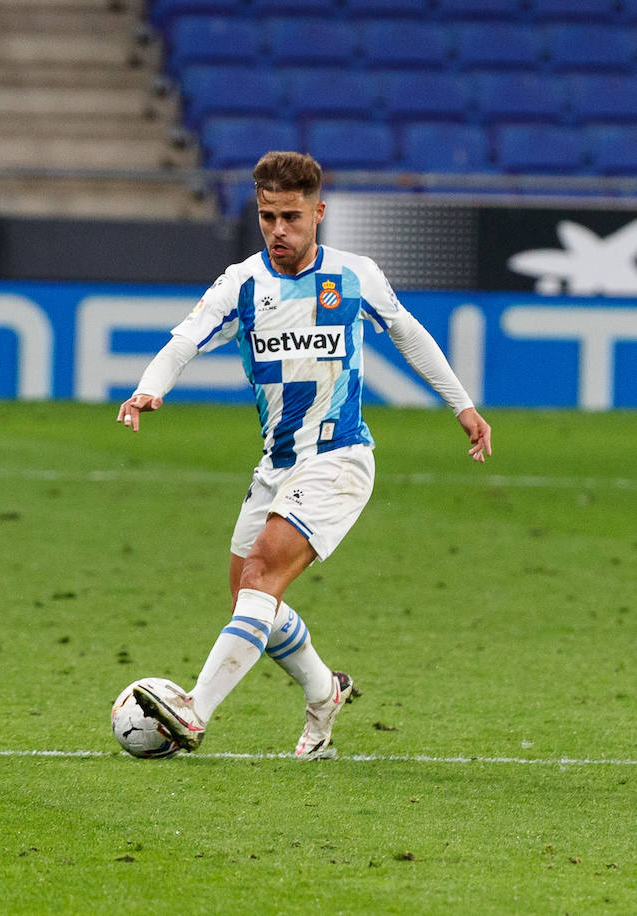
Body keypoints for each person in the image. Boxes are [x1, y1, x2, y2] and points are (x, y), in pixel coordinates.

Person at [117, 151, 491, 759]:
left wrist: (463, 405)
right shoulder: (241, 284)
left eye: (291, 217)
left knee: (264, 570)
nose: (279, 231)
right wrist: (150, 386)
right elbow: (184, 338)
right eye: (267, 217)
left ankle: (193, 711)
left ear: (318, 212)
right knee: (251, 601)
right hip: (275, 464)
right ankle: (324, 694)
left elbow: (408, 332)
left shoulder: (355, 275)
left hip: (340, 458)